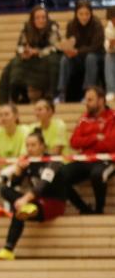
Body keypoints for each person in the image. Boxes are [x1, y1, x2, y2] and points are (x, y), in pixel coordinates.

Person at [0, 130, 68, 260]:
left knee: (20, 209)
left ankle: (8, 249)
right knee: (5, 190)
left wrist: (25, 199)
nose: (30, 149)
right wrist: (18, 170)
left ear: (43, 146)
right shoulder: (29, 161)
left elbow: (43, 184)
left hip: (53, 203)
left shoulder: (52, 161)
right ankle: (8, 250)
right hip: (34, 202)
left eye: (33, 145)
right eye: (27, 146)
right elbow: (14, 184)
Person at [58, 86, 115, 214]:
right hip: (86, 159)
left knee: (97, 174)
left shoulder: (113, 117)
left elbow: (111, 144)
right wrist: (95, 137)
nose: (86, 103)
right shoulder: (84, 118)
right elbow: (74, 142)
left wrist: (87, 141)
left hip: (106, 160)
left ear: (101, 100)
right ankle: (84, 208)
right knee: (59, 175)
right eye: (86, 99)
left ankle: (99, 210)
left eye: (90, 100)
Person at [0, 5, 61, 104]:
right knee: (13, 64)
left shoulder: (52, 27)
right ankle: (12, 97)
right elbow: (20, 46)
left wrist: (38, 52)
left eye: (43, 17)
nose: (41, 20)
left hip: (47, 56)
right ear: (33, 19)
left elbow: (55, 46)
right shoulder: (27, 27)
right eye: (38, 18)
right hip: (30, 58)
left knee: (54, 61)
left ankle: (53, 94)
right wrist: (24, 52)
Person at [57, 0, 104, 103]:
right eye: (81, 14)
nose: (84, 17)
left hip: (96, 57)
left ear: (91, 13)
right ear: (76, 14)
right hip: (78, 58)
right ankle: (62, 92)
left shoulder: (97, 24)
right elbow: (70, 44)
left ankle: (88, 93)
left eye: (87, 14)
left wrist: (77, 51)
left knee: (90, 57)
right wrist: (67, 50)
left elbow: (95, 47)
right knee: (65, 59)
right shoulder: (71, 25)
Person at [105, 7, 115, 104]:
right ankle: (111, 90)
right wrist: (111, 45)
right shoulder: (108, 29)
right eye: (112, 20)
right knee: (108, 57)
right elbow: (107, 48)